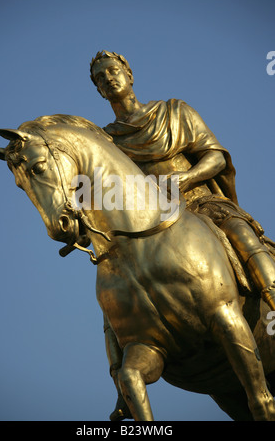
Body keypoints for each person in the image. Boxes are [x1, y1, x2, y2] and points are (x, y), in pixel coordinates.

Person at [90, 50, 275, 419]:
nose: (108, 79)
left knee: (241, 234)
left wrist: (185, 179)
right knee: (113, 301)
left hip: (200, 205)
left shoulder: (174, 112)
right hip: (148, 231)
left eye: (113, 71)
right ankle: (121, 389)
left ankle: (271, 292)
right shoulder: (105, 143)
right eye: (99, 78)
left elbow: (216, 157)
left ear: (129, 73)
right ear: (98, 90)